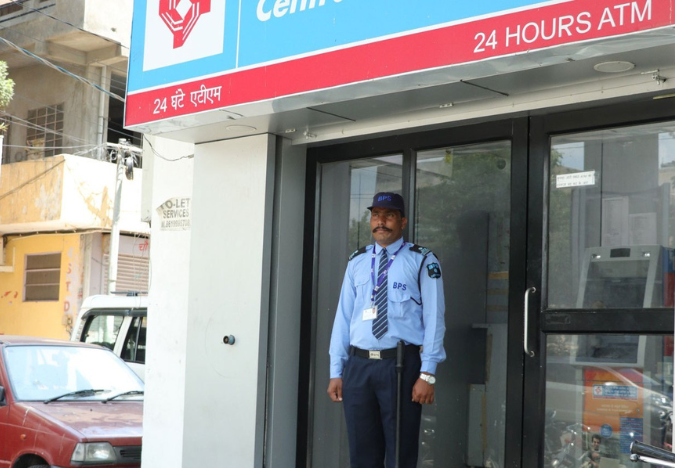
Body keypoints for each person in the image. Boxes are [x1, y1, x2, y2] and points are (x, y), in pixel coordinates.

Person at [327, 192, 446, 468]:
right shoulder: (357, 261)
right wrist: (336, 370)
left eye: (389, 215)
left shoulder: (422, 261)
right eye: (375, 215)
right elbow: (343, 318)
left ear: (402, 221)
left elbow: (434, 319)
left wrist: (427, 373)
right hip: (358, 367)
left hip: (400, 366)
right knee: (361, 453)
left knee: (399, 454)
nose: (381, 221)